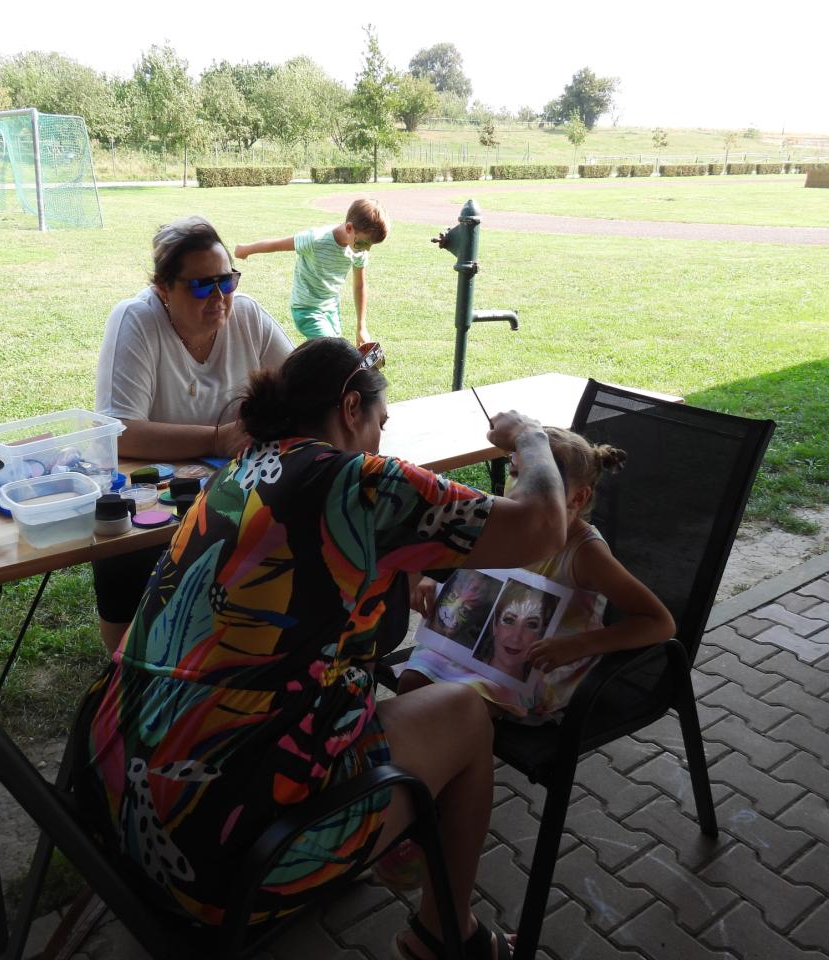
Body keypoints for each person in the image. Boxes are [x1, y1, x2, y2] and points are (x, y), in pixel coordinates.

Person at [81, 337, 569, 960]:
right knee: (467, 717)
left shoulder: (239, 471)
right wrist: (530, 436)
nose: (381, 443)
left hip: (112, 804)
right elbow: (542, 525)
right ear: (350, 408)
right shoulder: (362, 483)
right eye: (379, 424)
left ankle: (386, 845)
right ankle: (445, 936)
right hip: (213, 861)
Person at [93, 215, 293, 652]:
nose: (219, 297)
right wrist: (217, 438)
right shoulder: (136, 321)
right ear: (163, 289)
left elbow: (299, 386)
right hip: (154, 490)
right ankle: (125, 665)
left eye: (226, 280)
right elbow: (119, 432)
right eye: (202, 286)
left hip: (233, 484)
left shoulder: (247, 315)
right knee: (125, 545)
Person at [401, 427, 676, 718]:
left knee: (456, 707)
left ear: (578, 498)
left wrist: (577, 646)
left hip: (538, 668)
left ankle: (462, 745)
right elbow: (466, 559)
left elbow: (660, 623)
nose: (520, 489)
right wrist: (435, 578)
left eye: (544, 482)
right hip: (477, 647)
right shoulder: (504, 519)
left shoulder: (585, 553)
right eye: (515, 473)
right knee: (411, 682)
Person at [233, 198, 387, 345]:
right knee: (331, 350)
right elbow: (277, 245)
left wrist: (361, 326)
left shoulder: (359, 251)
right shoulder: (316, 239)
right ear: (349, 228)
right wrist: (245, 249)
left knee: (331, 351)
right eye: (362, 243)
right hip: (306, 307)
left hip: (331, 308)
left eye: (370, 245)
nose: (366, 249)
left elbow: (359, 286)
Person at [472, 581, 558, 683]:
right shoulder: (464, 668)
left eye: (531, 625)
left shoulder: (543, 688)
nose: (515, 638)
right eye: (509, 620)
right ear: (495, 625)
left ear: (541, 635)